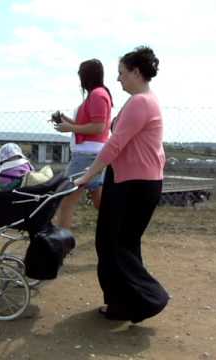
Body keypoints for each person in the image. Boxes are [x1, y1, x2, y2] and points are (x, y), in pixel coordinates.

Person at [75, 46, 169, 323]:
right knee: (121, 244)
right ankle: (125, 304)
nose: (118, 79)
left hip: (134, 185)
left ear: (137, 72)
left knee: (113, 245)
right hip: (133, 181)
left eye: (122, 73)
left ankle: (151, 298)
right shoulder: (142, 100)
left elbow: (114, 144)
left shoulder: (142, 102)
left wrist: (88, 175)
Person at [53, 58, 113, 229]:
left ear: (86, 75)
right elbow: (90, 125)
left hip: (86, 155)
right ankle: (117, 229)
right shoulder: (99, 94)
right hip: (93, 153)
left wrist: (69, 128)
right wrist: (66, 120)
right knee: (98, 200)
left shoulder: (97, 95)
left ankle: (60, 241)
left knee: (66, 199)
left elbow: (98, 127)